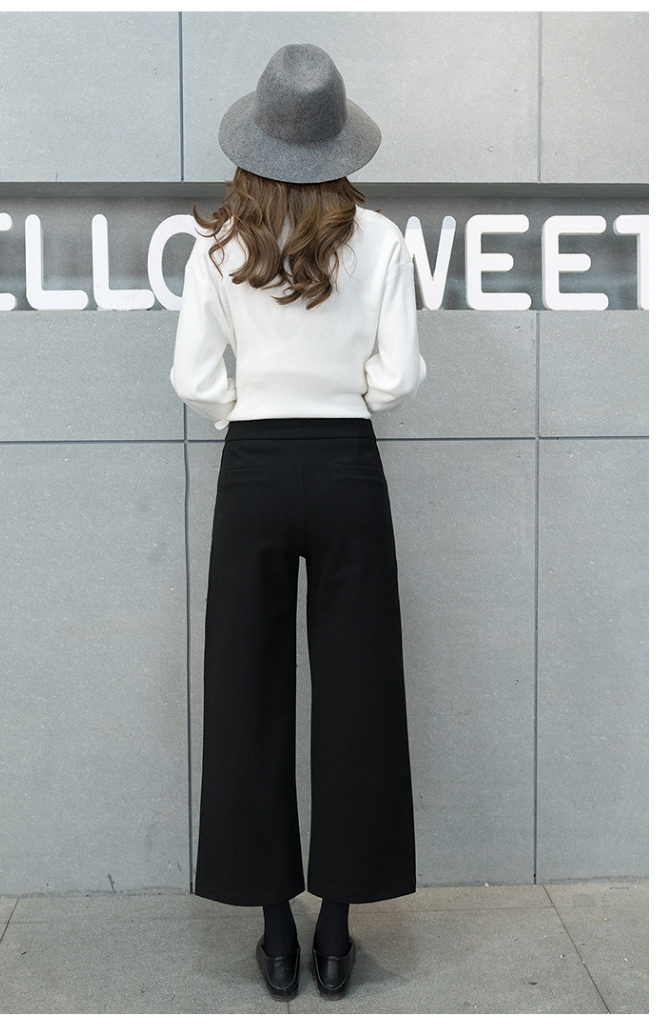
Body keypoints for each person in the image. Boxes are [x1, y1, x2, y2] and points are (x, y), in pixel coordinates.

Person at [170, 43, 426, 1002]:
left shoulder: (217, 247)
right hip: (347, 465)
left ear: (254, 143)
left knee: (246, 686)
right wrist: (342, 399)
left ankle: (276, 933)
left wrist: (253, 410)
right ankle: (338, 936)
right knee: (360, 691)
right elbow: (396, 378)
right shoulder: (383, 240)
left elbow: (193, 378)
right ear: (338, 145)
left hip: (255, 468)